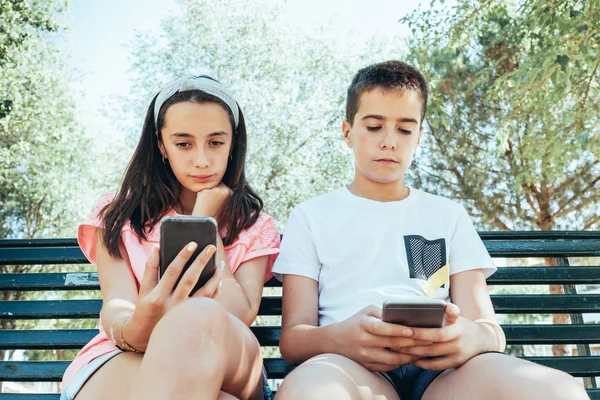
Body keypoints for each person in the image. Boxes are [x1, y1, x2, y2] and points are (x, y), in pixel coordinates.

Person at [272, 61, 589, 400]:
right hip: (349, 368)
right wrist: (341, 339)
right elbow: (293, 340)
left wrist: (470, 337)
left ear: (420, 136)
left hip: (444, 376)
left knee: (559, 391)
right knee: (310, 392)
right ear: (348, 132)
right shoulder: (311, 216)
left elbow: (490, 330)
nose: (389, 141)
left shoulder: (447, 215)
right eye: (375, 126)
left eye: (405, 130)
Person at [61, 76, 280, 400]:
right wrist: (136, 327)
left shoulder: (254, 225)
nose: (202, 160)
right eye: (184, 143)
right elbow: (117, 304)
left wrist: (202, 222)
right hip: (125, 354)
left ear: (233, 143)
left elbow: (238, 314)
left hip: (228, 357)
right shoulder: (119, 214)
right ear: (161, 145)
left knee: (201, 316)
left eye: (216, 142)